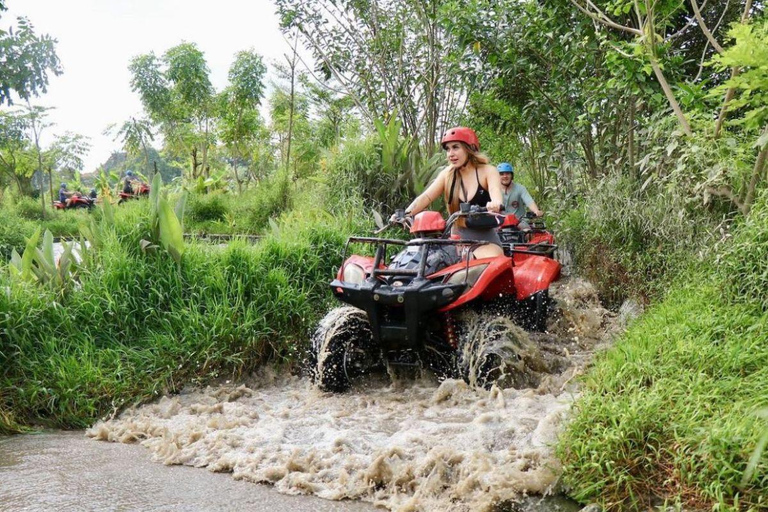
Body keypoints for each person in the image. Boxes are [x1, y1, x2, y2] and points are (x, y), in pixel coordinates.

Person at [399, 127, 504, 259]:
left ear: (470, 148)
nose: (450, 153)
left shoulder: (488, 171)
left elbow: (496, 194)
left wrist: (495, 203)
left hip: (486, 241)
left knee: (474, 265)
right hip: (455, 240)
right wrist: (406, 214)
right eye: (447, 149)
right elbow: (426, 197)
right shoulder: (447, 174)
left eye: (455, 147)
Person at [498, 162, 543, 231]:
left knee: (527, 232)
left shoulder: (520, 188)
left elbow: (529, 201)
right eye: (501, 174)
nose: (505, 176)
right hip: (499, 222)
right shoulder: (494, 190)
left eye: (507, 173)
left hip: (519, 220)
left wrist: (536, 211)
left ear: (511, 175)